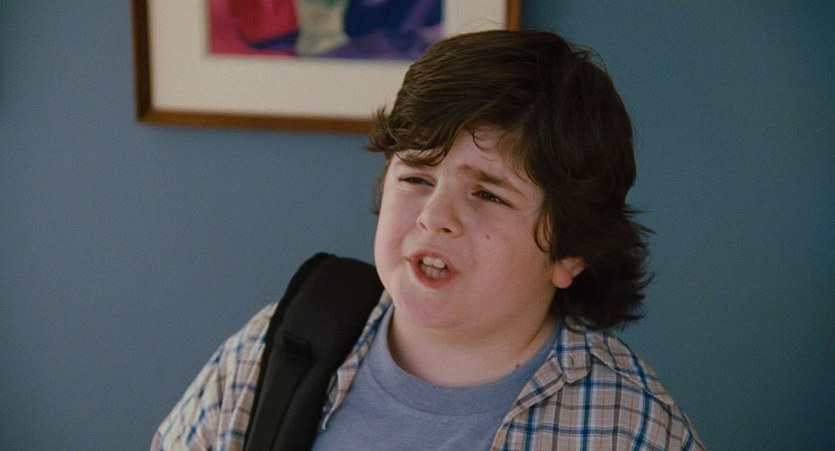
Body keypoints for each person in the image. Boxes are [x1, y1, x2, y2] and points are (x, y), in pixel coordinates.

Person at [152, 29, 705, 450]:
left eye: (488, 194)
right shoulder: (273, 347)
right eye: (416, 177)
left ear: (570, 252)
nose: (435, 217)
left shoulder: (631, 429)